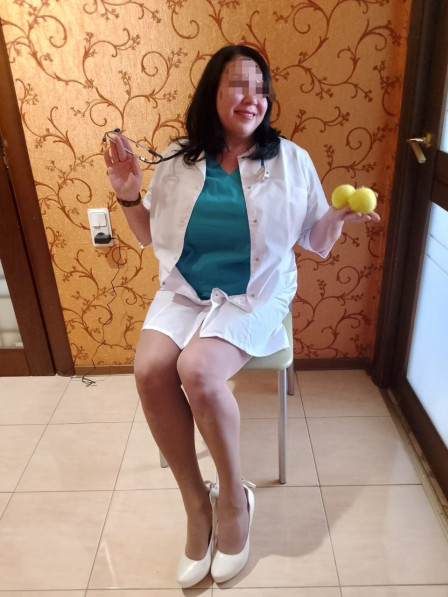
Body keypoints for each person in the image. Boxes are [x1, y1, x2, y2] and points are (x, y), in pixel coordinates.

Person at [103, 44, 380, 587]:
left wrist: (337, 216)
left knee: (198, 370)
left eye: (260, 88)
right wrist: (129, 196)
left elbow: (314, 237)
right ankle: (196, 503)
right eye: (238, 84)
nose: (252, 98)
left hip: (256, 292)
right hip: (187, 290)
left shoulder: (291, 160)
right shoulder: (177, 158)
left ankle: (233, 498)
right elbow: (149, 236)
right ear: (213, 92)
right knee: (150, 370)